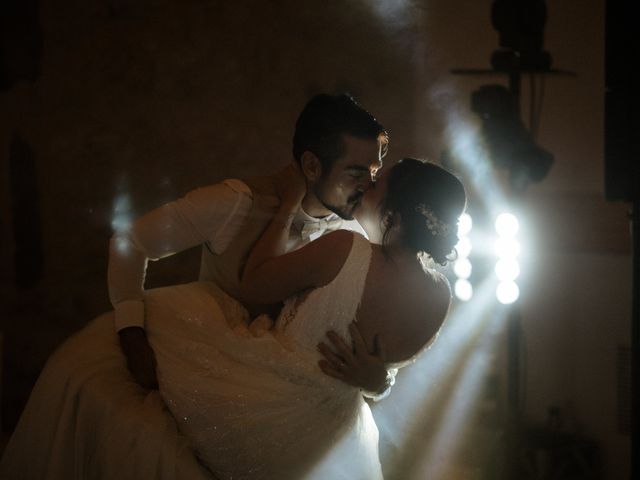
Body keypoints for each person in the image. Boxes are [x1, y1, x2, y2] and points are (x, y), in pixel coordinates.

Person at [0, 157, 466, 479]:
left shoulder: (349, 249)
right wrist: (379, 382)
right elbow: (380, 374)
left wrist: (285, 205)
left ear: (398, 212)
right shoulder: (439, 298)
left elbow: (254, 283)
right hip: (331, 445)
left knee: (116, 361)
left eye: (379, 184)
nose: (367, 186)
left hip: (258, 405)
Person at [110, 93, 391, 395]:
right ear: (311, 165)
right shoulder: (236, 203)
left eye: (374, 173)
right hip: (202, 377)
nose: (368, 186)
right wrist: (132, 336)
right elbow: (131, 241)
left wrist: (380, 383)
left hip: (287, 401)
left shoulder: (354, 237)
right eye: (356, 173)